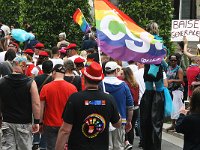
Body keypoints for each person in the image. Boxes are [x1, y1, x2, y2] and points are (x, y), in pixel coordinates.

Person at [55, 62, 122, 150]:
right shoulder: (109, 99)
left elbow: (65, 130)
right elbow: (117, 124)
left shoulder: (75, 98)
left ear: (84, 78)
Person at [0, 56, 40, 150]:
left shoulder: (2, 81)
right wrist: (37, 121)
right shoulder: (30, 83)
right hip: (24, 123)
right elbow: (36, 104)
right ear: (23, 66)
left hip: (7, 122)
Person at [40, 64, 77, 150]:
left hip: (50, 123)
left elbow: (41, 107)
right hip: (67, 123)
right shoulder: (72, 88)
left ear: (54, 72)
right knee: (66, 147)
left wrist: (40, 122)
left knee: (51, 147)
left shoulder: (46, 88)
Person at [102, 61, 134, 150]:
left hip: (104, 121)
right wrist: (129, 121)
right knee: (119, 146)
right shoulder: (123, 85)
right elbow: (130, 107)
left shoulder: (101, 85)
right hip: (120, 121)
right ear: (116, 71)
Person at [32, 60, 53, 150]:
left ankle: (36, 141)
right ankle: (43, 144)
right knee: (45, 123)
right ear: (52, 69)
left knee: (37, 120)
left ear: (42, 68)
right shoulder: (53, 79)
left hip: (37, 103)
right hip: (48, 104)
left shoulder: (37, 79)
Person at [121, 67, 139, 150]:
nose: (121, 75)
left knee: (125, 127)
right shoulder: (135, 84)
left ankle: (126, 144)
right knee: (131, 128)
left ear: (126, 75)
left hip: (127, 109)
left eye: (122, 74)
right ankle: (130, 144)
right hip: (136, 108)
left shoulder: (124, 84)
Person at [166, 54, 184, 131]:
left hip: (177, 90)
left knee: (176, 107)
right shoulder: (168, 68)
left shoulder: (179, 69)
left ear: (177, 61)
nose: (173, 62)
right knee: (172, 108)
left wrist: (172, 80)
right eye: (172, 60)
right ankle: (173, 124)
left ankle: (177, 125)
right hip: (170, 90)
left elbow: (181, 80)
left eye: (175, 60)